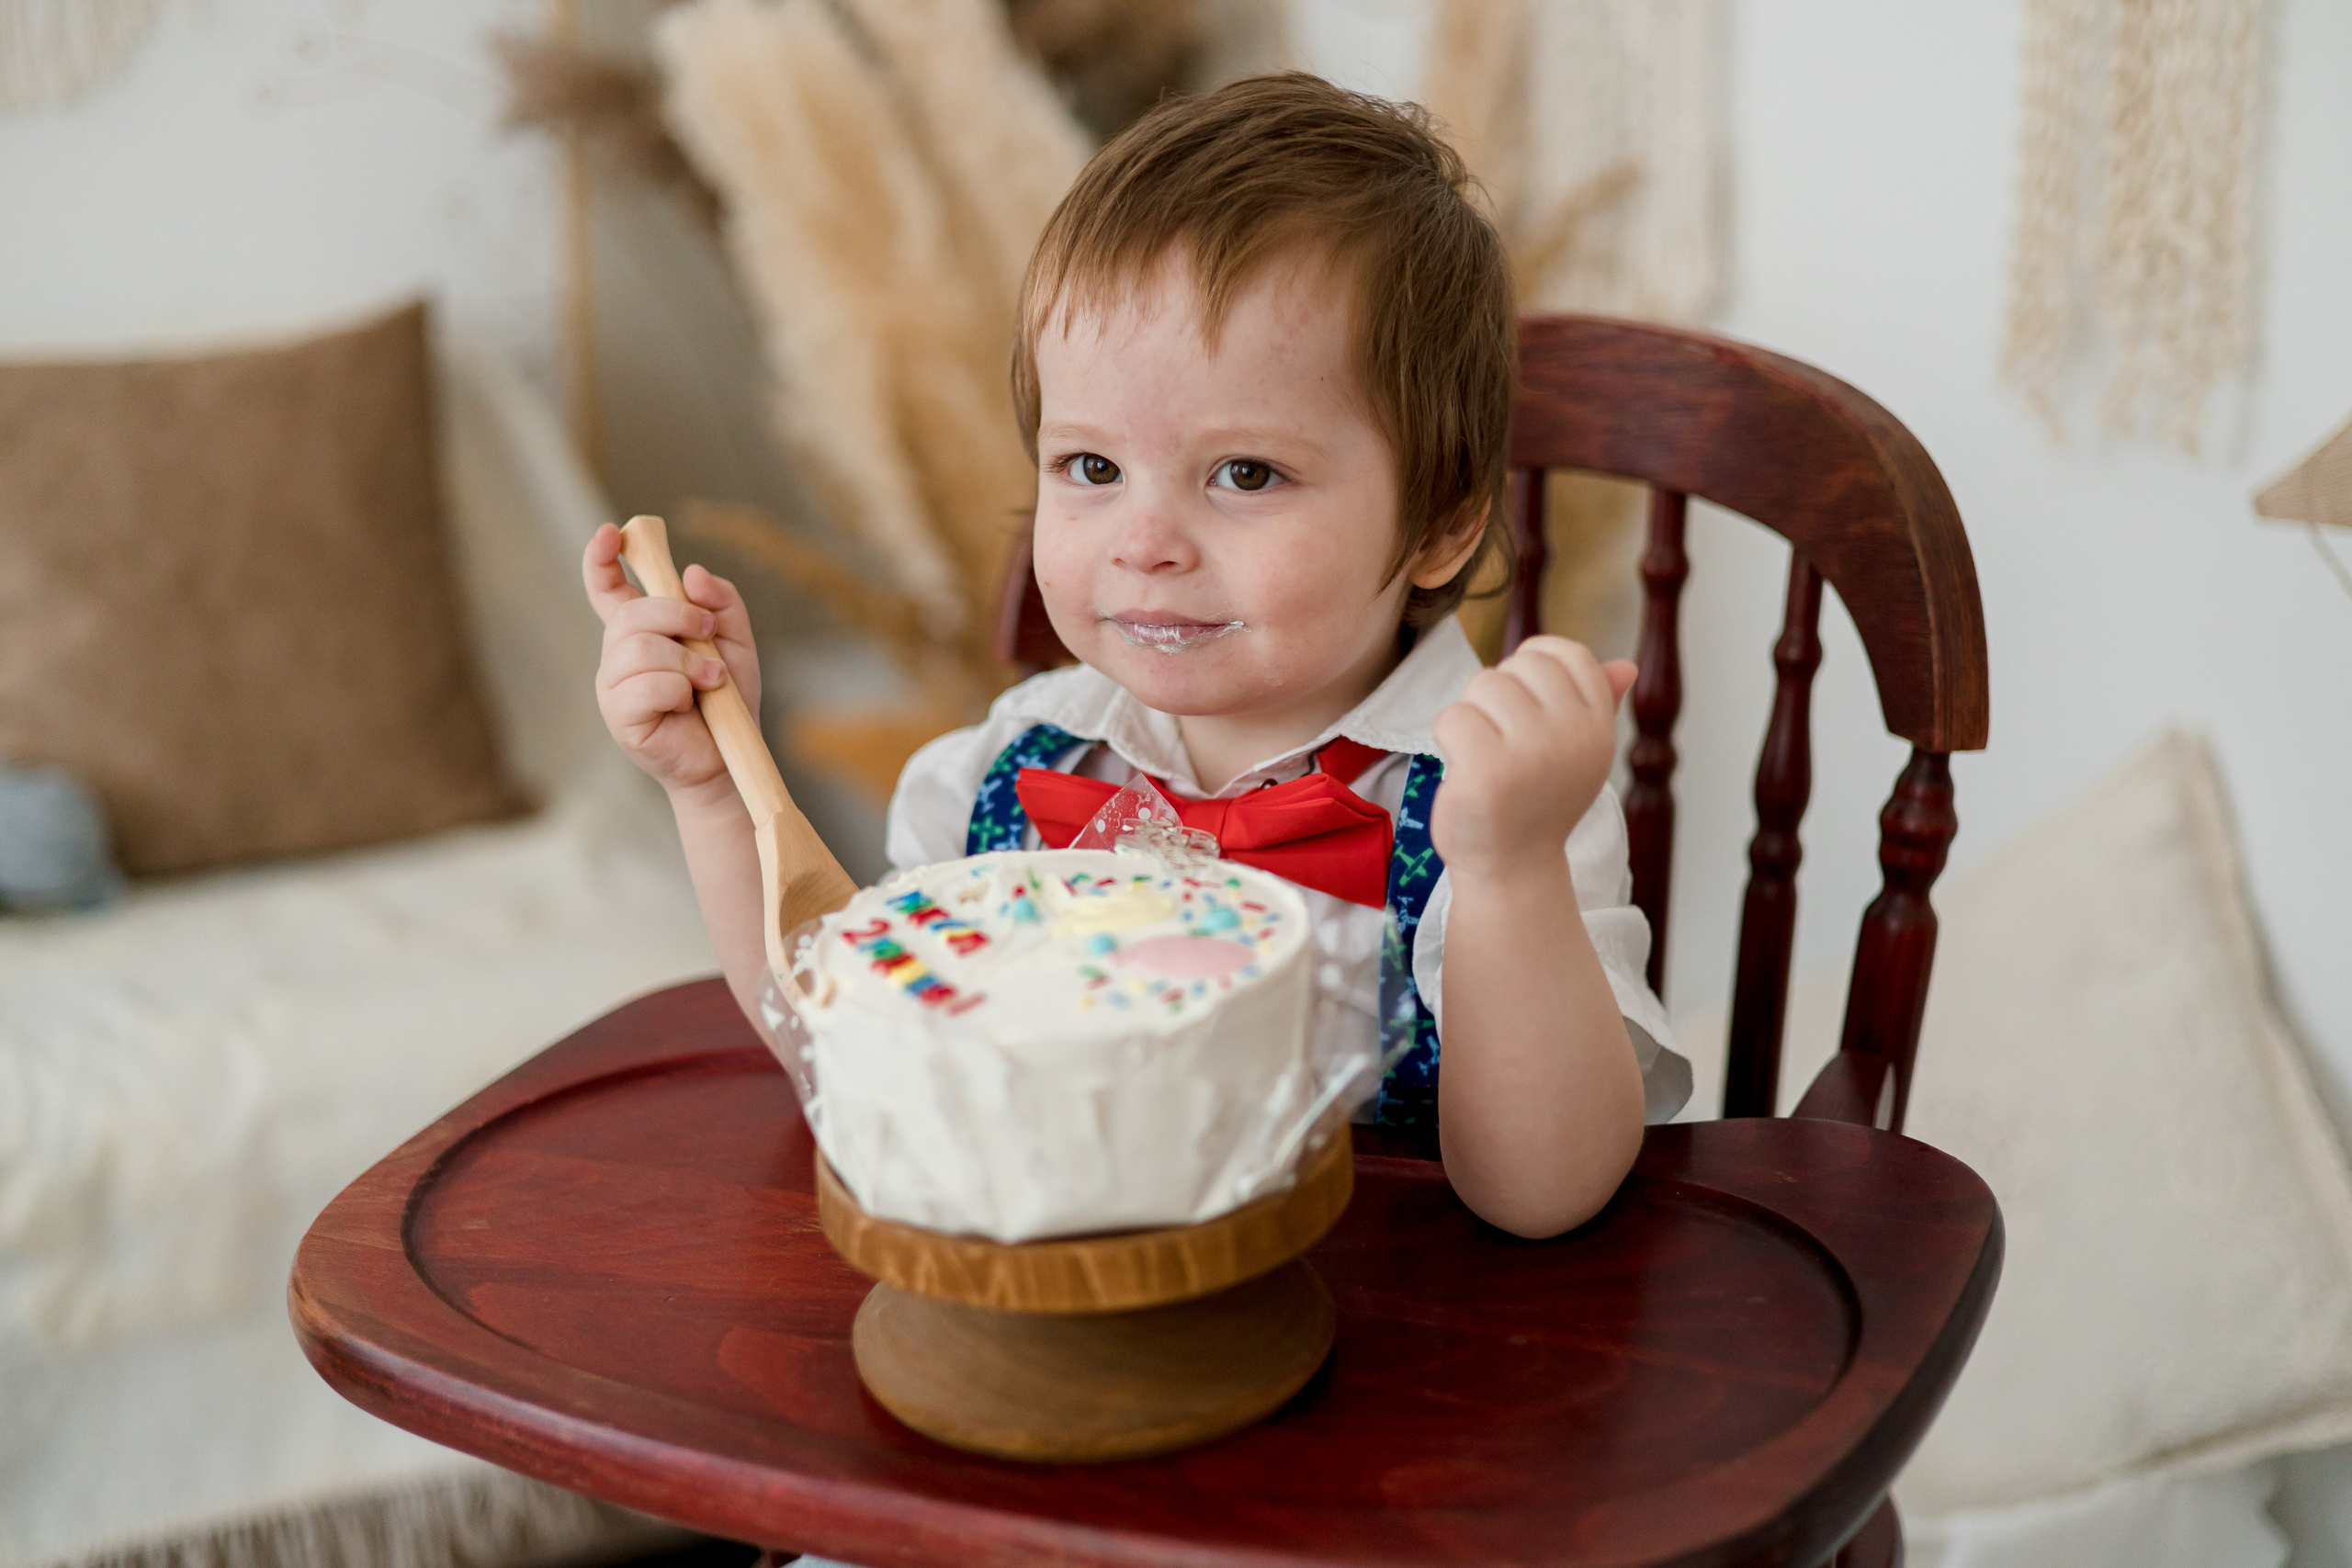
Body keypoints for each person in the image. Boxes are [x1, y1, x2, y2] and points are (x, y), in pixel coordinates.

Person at [584, 72, 1689, 1241]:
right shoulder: (1006, 773)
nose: (1146, 546)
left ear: (1438, 525)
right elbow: (851, 1052)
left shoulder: (1497, 808)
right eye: (1092, 470)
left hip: (1398, 1350)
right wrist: (718, 789)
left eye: (1245, 474)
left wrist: (1509, 870)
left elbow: (1541, 1196)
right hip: (1063, 1328)